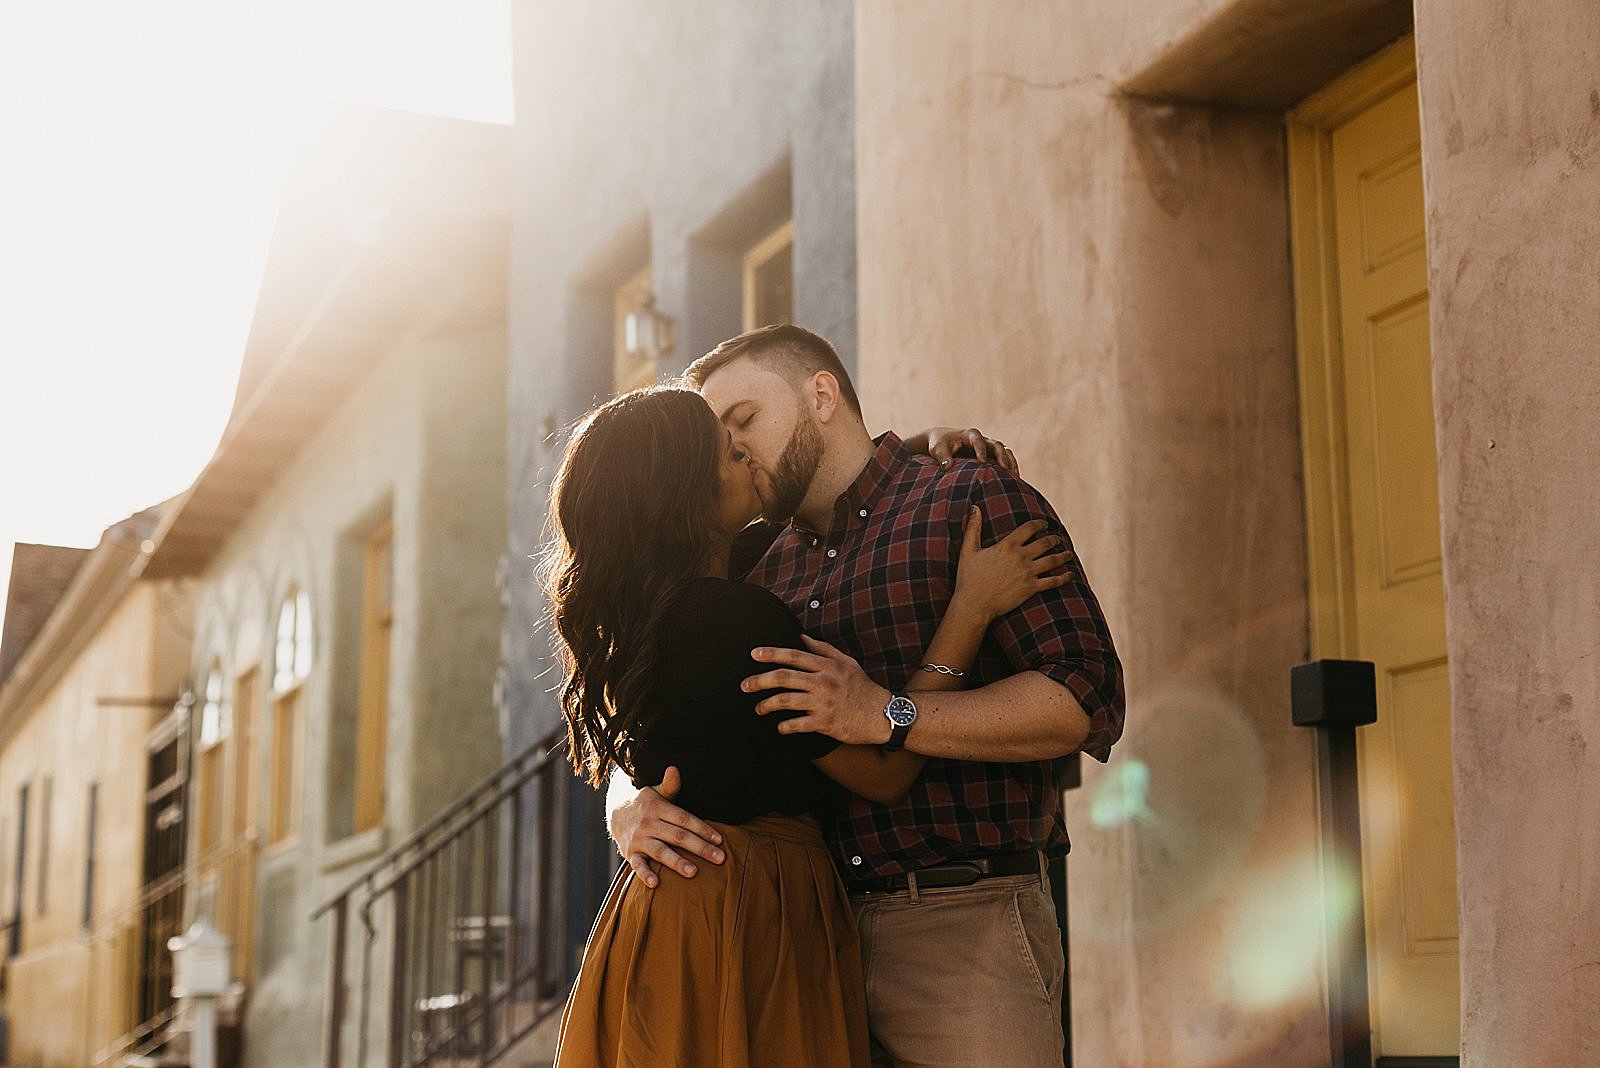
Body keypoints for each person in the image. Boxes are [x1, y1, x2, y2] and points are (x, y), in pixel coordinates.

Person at [608, 325, 1125, 1067]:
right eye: (718, 440)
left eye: (744, 420)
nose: (735, 451)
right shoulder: (755, 570)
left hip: (959, 932)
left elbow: (1083, 698)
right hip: (805, 947)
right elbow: (658, 714)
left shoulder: (969, 499)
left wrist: (887, 712)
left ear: (821, 394)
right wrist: (628, 803)